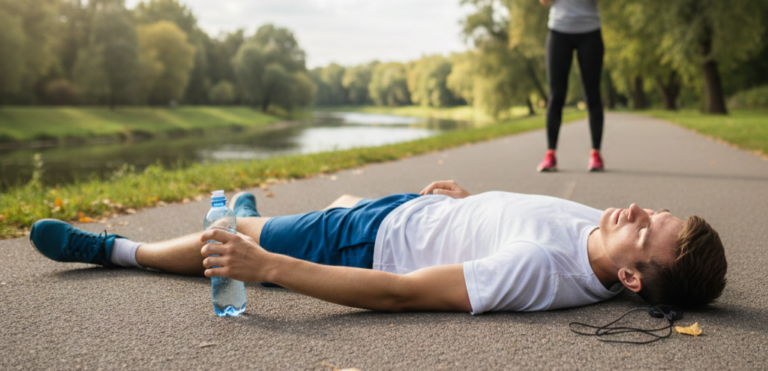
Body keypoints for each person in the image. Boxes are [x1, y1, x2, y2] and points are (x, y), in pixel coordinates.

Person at [29, 180, 727, 313]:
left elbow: (402, 293)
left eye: (644, 228)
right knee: (331, 203)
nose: (635, 208)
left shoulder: (538, 273)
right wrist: (467, 205)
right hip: (415, 210)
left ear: (633, 278)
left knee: (233, 236)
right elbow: (528, 214)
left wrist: (267, 268)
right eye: (654, 210)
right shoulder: (605, 236)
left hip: (373, 242)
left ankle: (115, 249)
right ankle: (263, 216)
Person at [537, 0, 606, 172]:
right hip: (559, 31)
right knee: (556, 95)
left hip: (590, 30)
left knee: (592, 95)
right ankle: (550, 154)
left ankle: (596, 154)